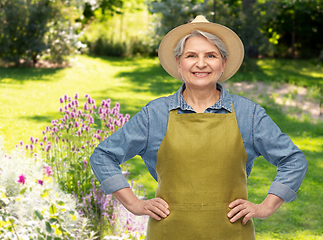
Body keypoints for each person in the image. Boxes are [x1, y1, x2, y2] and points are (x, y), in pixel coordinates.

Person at [89, 15, 308, 239]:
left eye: (211, 55)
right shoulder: (154, 115)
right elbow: (103, 156)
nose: (201, 64)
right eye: (191, 55)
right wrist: (133, 204)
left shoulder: (247, 114)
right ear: (179, 63)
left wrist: (265, 207)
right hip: (168, 233)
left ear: (223, 63)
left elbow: (293, 161)